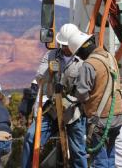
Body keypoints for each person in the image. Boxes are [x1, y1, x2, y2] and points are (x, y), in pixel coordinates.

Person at [21, 24, 87, 168]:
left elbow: (84, 89)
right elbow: (40, 78)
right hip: (51, 110)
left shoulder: (82, 61)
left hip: (73, 112)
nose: (63, 48)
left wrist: (69, 97)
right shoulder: (50, 56)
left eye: (66, 45)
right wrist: (50, 72)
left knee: (78, 151)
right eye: (61, 44)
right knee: (31, 138)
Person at [68, 30, 122, 168]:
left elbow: (82, 93)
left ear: (82, 50)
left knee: (99, 159)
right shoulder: (110, 57)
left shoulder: (89, 64)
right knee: (110, 155)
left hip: (101, 119)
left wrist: (74, 92)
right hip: (117, 116)